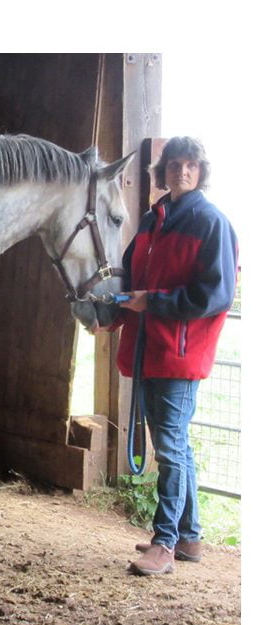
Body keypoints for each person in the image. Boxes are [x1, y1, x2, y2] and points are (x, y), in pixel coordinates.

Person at [101, 136, 238, 576]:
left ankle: (164, 544)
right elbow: (131, 278)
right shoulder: (152, 220)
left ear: (200, 172)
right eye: (175, 164)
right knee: (176, 444)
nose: (182, 171)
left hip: (178, 354)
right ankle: (191, 537)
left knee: (171, 447)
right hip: (148, 348)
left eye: (191, 165)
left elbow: (215, 296)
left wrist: (153, 302)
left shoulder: (211, 222)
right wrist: (110, 314)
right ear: (162, 172)